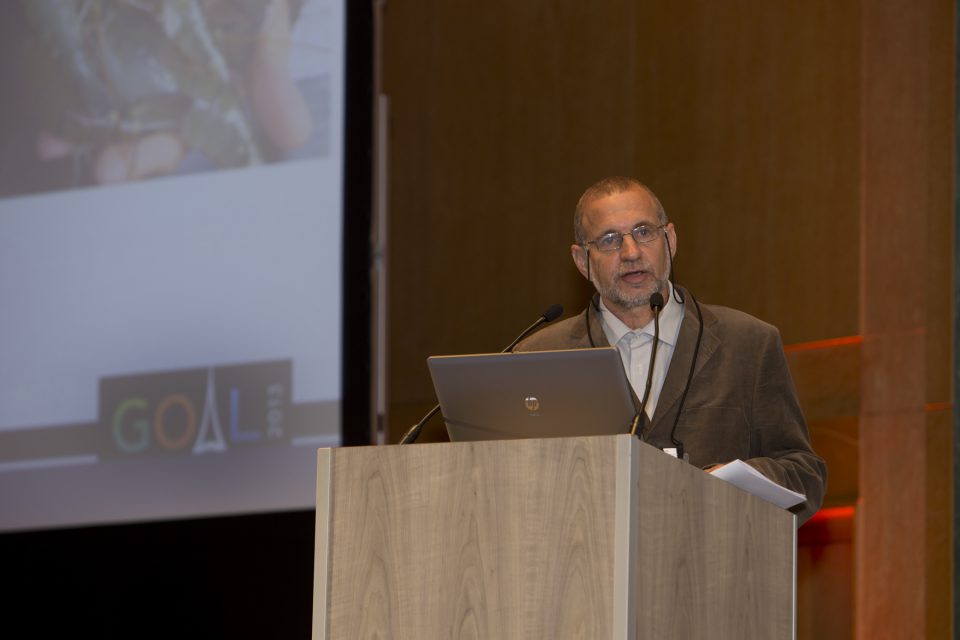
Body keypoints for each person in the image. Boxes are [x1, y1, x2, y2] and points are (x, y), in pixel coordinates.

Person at [515, 176, 826, 525]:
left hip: (714, 567)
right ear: (583, 261)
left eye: (644, 232)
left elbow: (804, 476)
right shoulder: (538, 358)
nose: (631, 253)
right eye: (610, 240)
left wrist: (736, 483)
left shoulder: (748, 344)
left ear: (671, 240)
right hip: (585, 571)